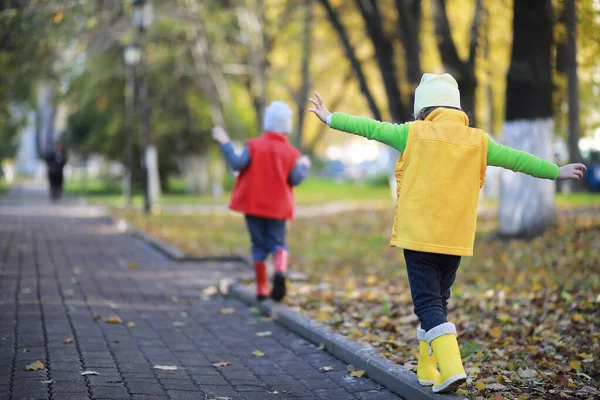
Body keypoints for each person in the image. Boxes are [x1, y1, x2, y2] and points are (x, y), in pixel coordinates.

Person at [307, 73, 586, 393]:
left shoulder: (412, 133)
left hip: (419, 237)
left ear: (422, 108)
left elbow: (370, 128)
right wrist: (555, 171)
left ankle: (452, 368)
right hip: (455, 240)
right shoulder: (478, 140)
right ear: (455, 107)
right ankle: (428, 368)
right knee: (438, 301)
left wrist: (331, 118)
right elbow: (516, 160)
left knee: (427, 304)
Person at [212, 100, 311, 302]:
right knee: (277, 243)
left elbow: (237, 163)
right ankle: (280, 268)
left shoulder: (253, 145)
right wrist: (304, 166)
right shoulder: (291, 153)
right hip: (278, 208)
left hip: (253, 206)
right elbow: (295, 179)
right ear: (287, 126)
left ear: (267, 123)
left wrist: (225, 143)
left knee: (258, 245)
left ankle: (261, 289)